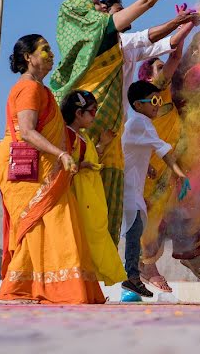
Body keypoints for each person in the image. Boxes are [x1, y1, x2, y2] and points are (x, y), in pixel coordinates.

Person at [50, 0, 200, 243]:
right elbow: (147, 4)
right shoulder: (104, 37)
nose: (123, 17)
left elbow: (164, 44)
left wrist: (184, 26)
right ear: (90, 16)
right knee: (83, 197)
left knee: (112, 202)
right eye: (96, 4)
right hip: (90, 129)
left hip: (109, 132)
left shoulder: (117, 45)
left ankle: (107, 267)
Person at [0, 35, 104, 304]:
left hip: (43, 166)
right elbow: (28, 131)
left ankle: (27, 287)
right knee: (43, 222)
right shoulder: (29, 89)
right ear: (27, 57)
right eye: (44, 50)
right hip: (28, 168)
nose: (51, 54)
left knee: (45, 223)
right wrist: (60, 153)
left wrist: (71, 160)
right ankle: (20, 288)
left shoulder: (40, 89)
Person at [145, 32, 200, 283]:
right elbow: (193, 116)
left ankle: (189, 252)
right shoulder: (194, 74)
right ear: (195, 49)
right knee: (167, 205)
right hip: (184, 152)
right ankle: (146, 263)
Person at [137, 10, 193, 292]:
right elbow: (174, 58)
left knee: (157, 220)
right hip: (146, 167)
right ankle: (146, 267)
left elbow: (176, 58)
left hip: (166, 168)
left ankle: (145, 266)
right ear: (147, 75)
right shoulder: (143, 98)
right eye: (159, 69)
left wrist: (186, 27)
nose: (166, 72)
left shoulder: (165, 93)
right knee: (146, 218)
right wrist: (184, 27)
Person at [122, 80, 188, 298]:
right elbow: (163, 151)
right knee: (133, 232)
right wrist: (180, 174)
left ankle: (130, 276)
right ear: (138, 104)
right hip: (129, 190)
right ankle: (130, 276)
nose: (158, 105)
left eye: (159, 100)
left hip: (132, 188)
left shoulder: (136, 123)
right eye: (154, 101)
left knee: (133, 230)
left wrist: (147, 167)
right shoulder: (142, 122)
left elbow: (130, 149)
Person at [61, 90, 127, 286]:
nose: (95, 116)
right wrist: (82, 166)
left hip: (89, 198)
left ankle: (90, 283)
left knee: (95, 238)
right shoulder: (66, 135)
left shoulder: (82, 137)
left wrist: (102, 144)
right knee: (85, 240)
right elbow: (63, 165)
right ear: (78, 113)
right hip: (77, 198)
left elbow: (88, 156)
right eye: (92, 111)